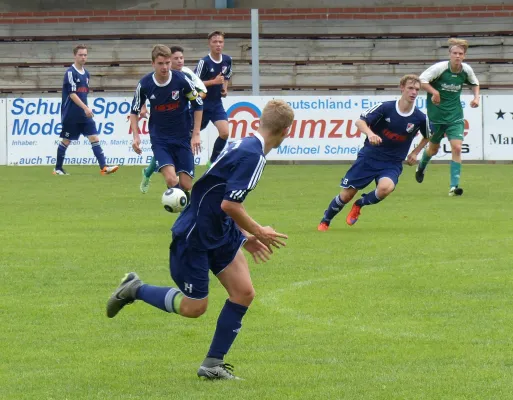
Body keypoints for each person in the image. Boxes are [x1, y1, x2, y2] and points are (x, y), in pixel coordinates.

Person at [107, 99, 294, 380]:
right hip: (195, 235)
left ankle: (212, 365)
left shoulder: (246, 146)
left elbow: (219, 197)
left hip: (219, 231)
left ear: (260, 123)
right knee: (195, 308)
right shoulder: (253, 155)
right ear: (287, 131)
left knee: (243, 293)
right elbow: (230, 205)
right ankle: (135, 289)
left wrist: (243, 237)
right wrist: (259, 231)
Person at [317, 75, 430, 231]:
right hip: (370, 157)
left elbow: (428, 136)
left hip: (392, 162)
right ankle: (325, 220)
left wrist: (415, 152)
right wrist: (370, 134)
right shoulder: (385, 108)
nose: (413, 92)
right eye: (410, 88)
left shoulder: (420, 118)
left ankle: (359, 204)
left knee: (386, 188)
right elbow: (359, 122)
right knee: (346, 195)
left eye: (417, 89)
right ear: (402, 87)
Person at [129, 45, 203, 196]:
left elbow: (198, 105)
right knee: (171, 180)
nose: (165, 67)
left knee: (186, 185)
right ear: (153, 64)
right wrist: (136, 136)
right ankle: (183, 213)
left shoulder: (182, 80)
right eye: (161, 63)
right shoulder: (145, 84)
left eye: (167, 63)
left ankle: (184, 207)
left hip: (182, 136)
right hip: (160, 138)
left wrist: (196, 134)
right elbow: (134, 111)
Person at [416, 38, 480, 196]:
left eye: (460, 53)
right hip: (436, 116)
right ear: (449, 54)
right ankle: (421, 166)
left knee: (457, 148)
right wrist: (434, 92)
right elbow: (421, 80)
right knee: (433, 149)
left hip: (455, 117)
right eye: (455, 53)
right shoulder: (440, 68)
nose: (457, 56)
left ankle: (453, 187)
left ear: (464, 56)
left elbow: (474, 83)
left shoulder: (466, 70)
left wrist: (476, 97)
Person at [53, 44, 119, 175]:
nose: (83, 57)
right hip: (71, 115)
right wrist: (85, 108)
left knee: (94, 137)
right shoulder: (70, 73)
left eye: (85, 55)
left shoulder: (87, 74)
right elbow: (72, 94)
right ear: (75, 56)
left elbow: (83, 94)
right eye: (80, 55)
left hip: (84, 114)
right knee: (66, 141)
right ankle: (58, 169)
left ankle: (104, 167)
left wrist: (85, 109)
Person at [195, 31, 233, 166]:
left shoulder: (227, 60)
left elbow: (227, 76)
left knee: (224, 133)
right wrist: (213, 82)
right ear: (209, 44)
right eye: (215, 42)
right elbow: (194, 84)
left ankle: (212, 162)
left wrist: (224, 88)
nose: (218, 44)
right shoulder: (203, 62)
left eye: (220, 42)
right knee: (190, 136)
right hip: (201, 105)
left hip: (216, 104)